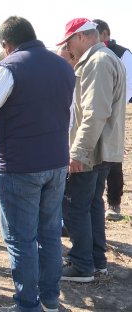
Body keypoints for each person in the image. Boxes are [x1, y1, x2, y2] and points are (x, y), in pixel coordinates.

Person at [0, 16, 75, 312]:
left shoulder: (10, 67)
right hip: (56, 161)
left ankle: (28, 304)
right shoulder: (63, 67)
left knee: (21, 239)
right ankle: (50, 299)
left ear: (7, 44)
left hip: (20, 165)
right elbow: (70, 117)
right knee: (50, 233)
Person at [56, 18, 126, 283]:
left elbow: (95, 113)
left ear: (82, 37)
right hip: (102, 149)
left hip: (92, 151)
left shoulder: (97, 62)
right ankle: (96, 261)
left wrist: (78, 152)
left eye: (69, 42)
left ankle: (82, 264)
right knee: (93, 205)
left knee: (76, 208)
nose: (69, 48)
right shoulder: (104, 58)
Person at [92, 19, 132, 221]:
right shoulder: (89, 54)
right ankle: (94, 200)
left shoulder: (123, 54)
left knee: (113, 158)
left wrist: (110, 109)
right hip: (94, 113)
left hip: (114, 114)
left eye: (95, 35)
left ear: (105, 34)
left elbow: (128, 85)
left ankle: (114, 204)